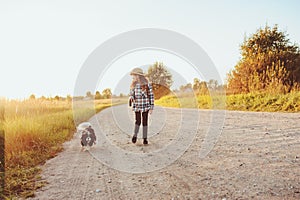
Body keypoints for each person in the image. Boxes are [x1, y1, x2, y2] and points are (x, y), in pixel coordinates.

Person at [129, 67, 154, 145]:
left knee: (145, 122)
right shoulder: (133, 85)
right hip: (137, 106)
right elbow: (132, 94)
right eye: (133, 76)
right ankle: (135, 135)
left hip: (145, 106)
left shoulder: (147, 85)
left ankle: (145, 138)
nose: (134, 77)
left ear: (139, 76)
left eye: (135, 75)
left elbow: (151, 95)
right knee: (138, 121)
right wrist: (132, 98)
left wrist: (151, 107)